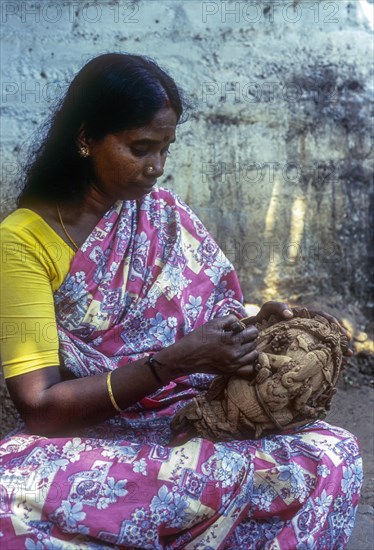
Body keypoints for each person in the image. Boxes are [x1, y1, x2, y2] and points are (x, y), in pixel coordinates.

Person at [0, 53, 362, 549]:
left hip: (192, 422)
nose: (156, 167)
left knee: (332, 452)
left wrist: (255, 328)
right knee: (13, 490)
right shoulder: (21, 242)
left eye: (166, 149)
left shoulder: (162, 216)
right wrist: (168, 365)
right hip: (94, 437)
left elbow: (206, 321)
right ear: (85, 139)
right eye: (141, 147)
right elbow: (40, 408)